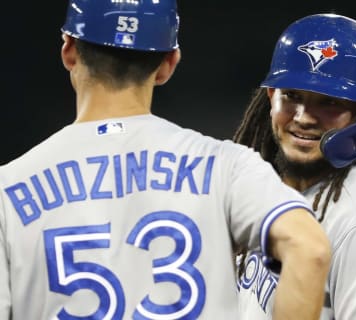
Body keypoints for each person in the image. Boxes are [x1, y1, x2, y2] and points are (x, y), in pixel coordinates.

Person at [0, 1, 332, 319]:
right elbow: (309, 249)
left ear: (69, 50)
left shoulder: (7, 188)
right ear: (168, 64)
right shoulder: (224, 166)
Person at [235, 13, 356, 320]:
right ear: (270, 98)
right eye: (292, 96)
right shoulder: (266, 188)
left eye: (328, 102)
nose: (303, 116)